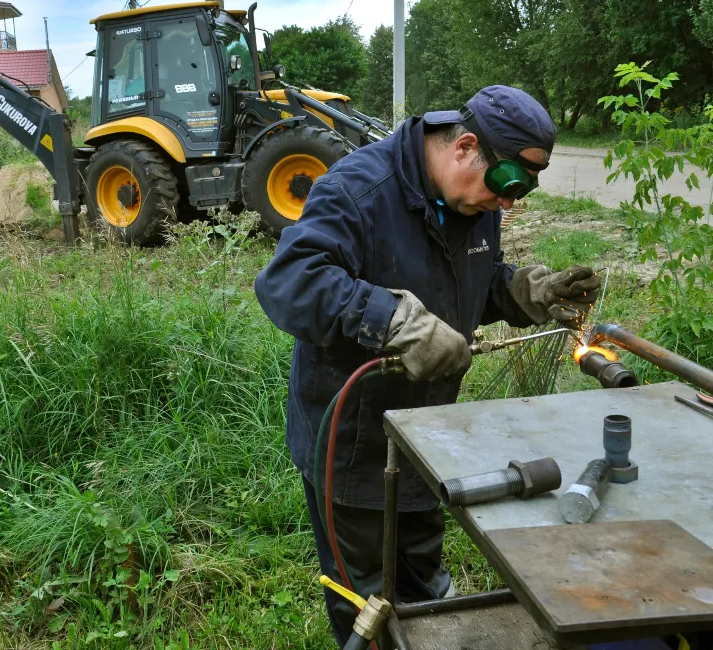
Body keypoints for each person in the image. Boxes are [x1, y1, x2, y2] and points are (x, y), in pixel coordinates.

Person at [254, 86, 600, 646]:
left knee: (422, 587)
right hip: (353, 447)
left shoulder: (471, 199)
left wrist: (523, 289)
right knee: (368, 603)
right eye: (507, 185)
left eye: (523, 190)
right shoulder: (359, 191)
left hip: (429, 436)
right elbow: (289, 283)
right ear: (465, 146)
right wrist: (393, 321)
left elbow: (472, 280)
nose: (508, 204)